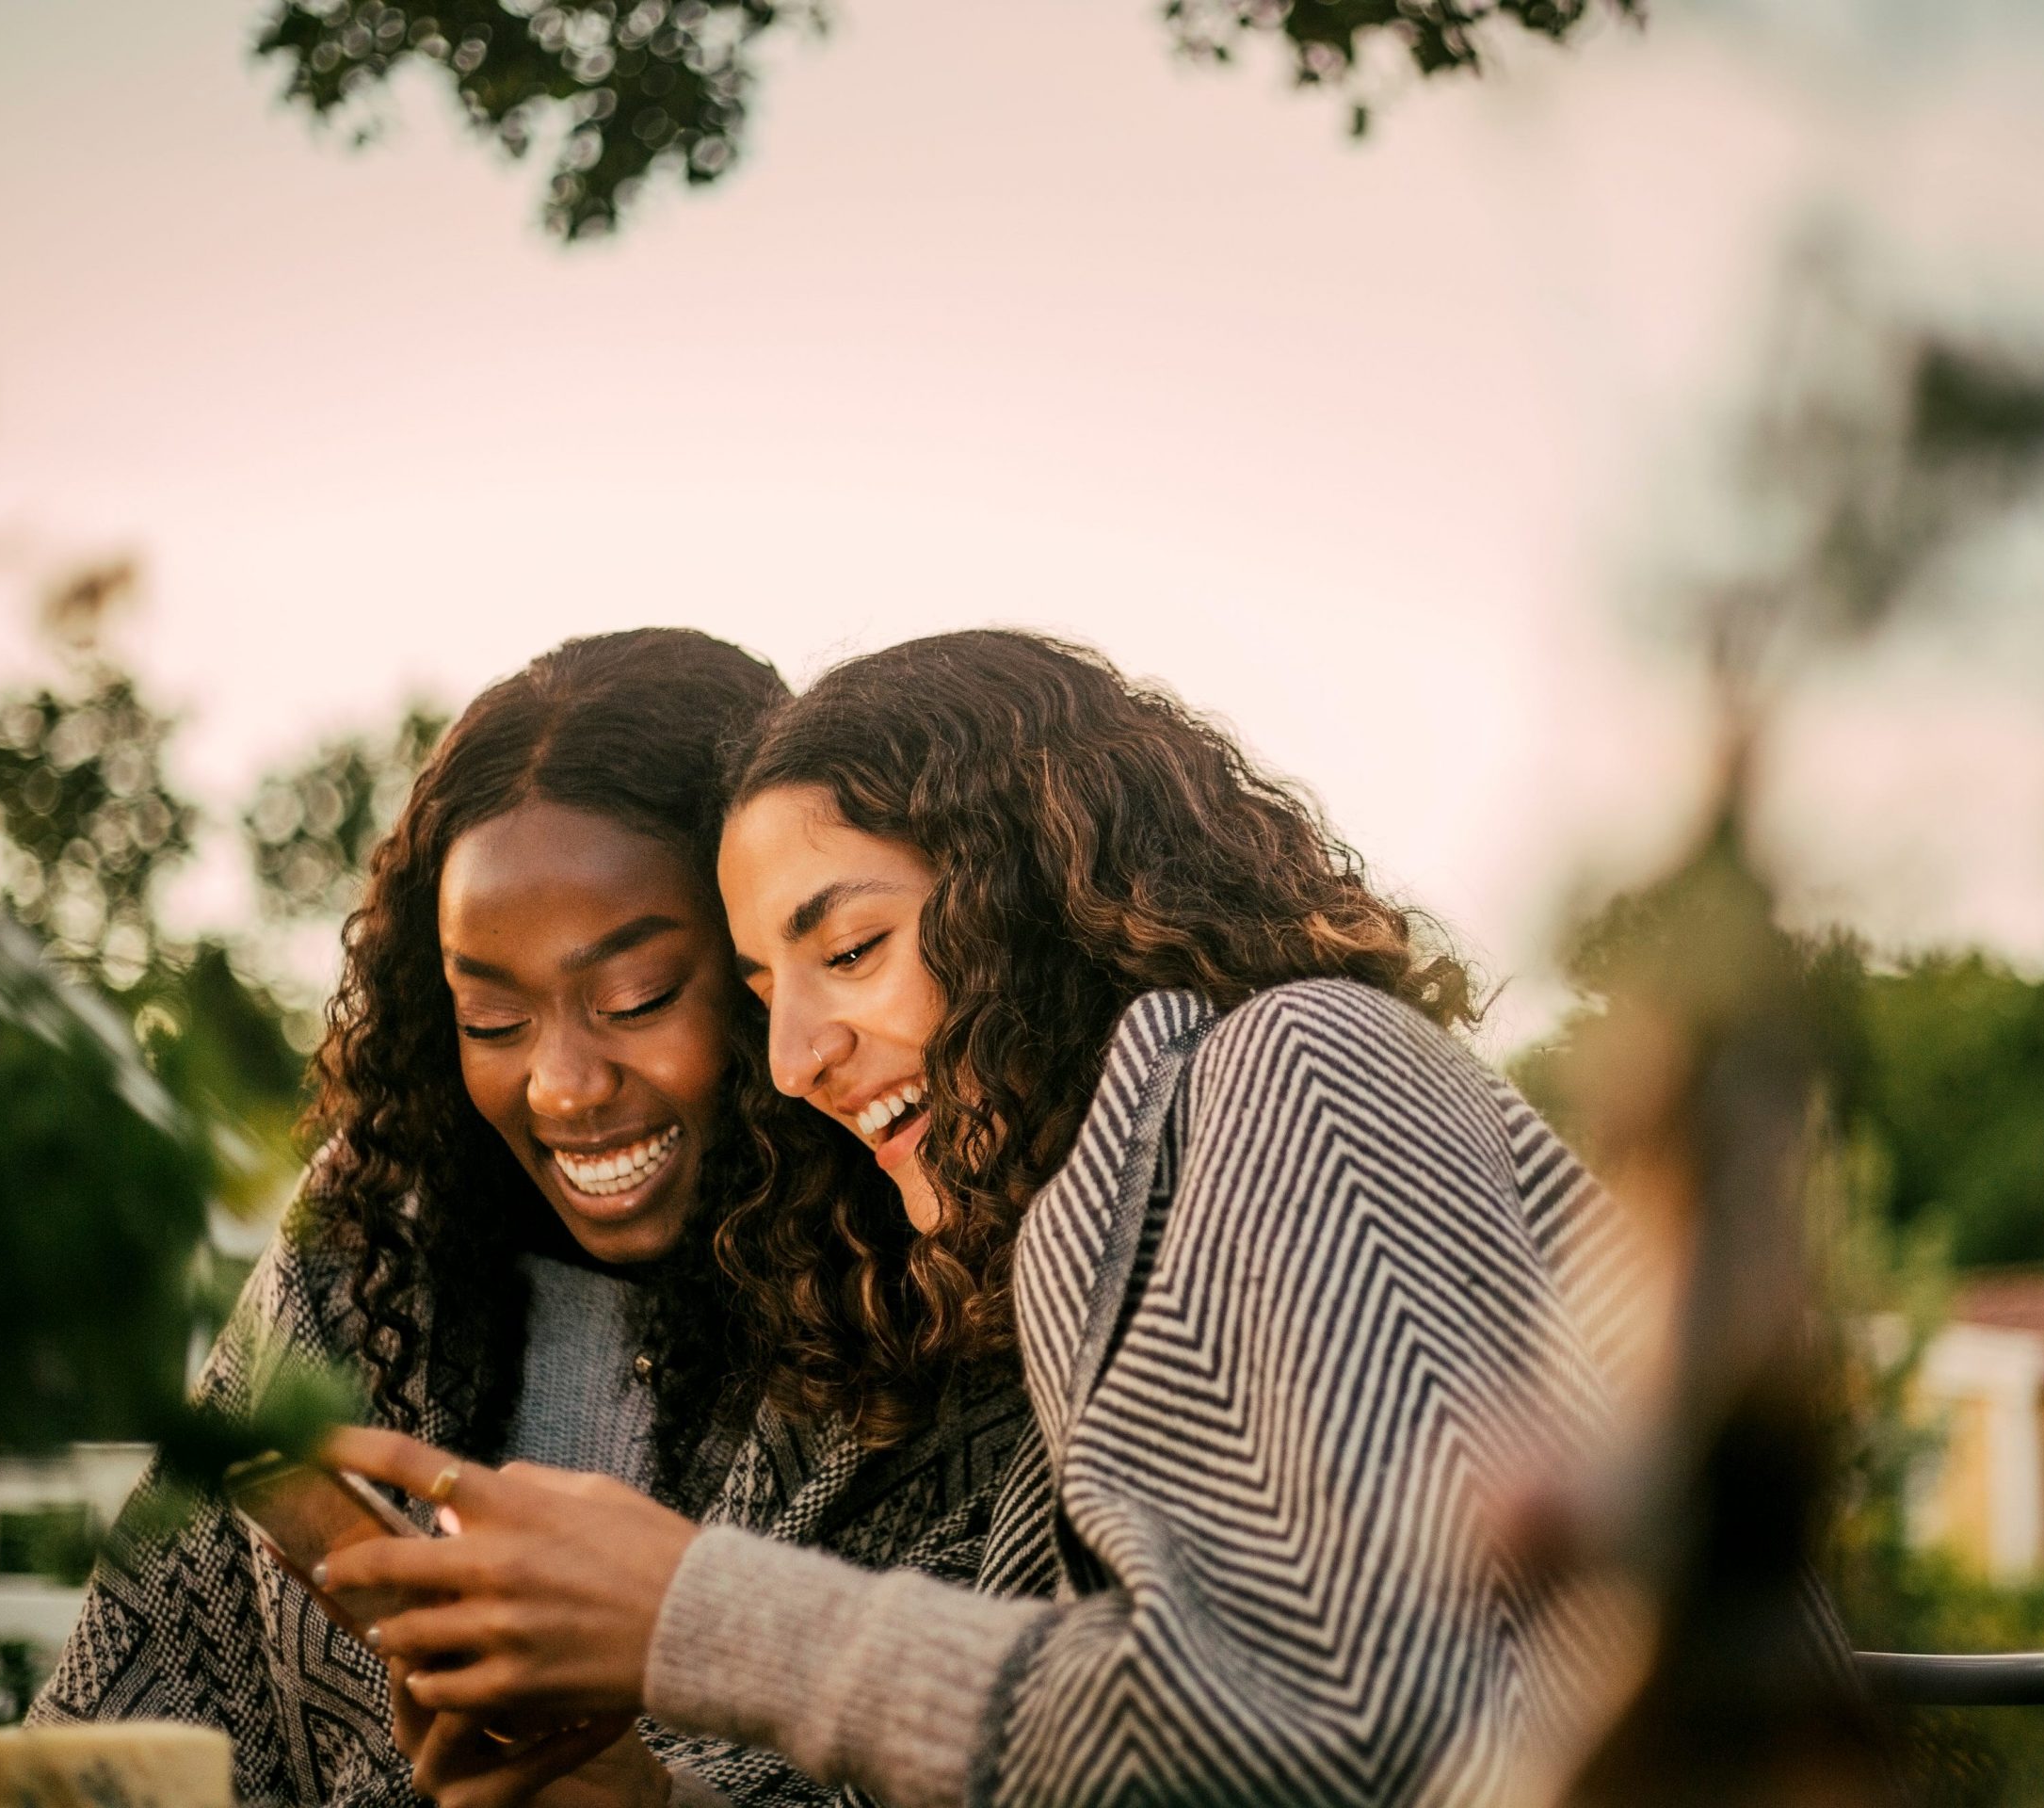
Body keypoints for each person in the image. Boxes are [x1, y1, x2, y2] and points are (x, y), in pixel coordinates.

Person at [325, 630, 1640, 1808]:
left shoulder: (1300, 1063)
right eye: (761, 987)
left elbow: (1384, 1727)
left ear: (1042, 891)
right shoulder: (1074, 1314)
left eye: (849, 951)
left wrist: (691, 1610)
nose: (790, 1059)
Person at [32, 630, 1044, 1808]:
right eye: (492, 1021)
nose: (561, 1086)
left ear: (766, 969)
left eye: (635, 999)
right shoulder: (368, 1248)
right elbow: (130, 1706)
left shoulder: (951, 1292)